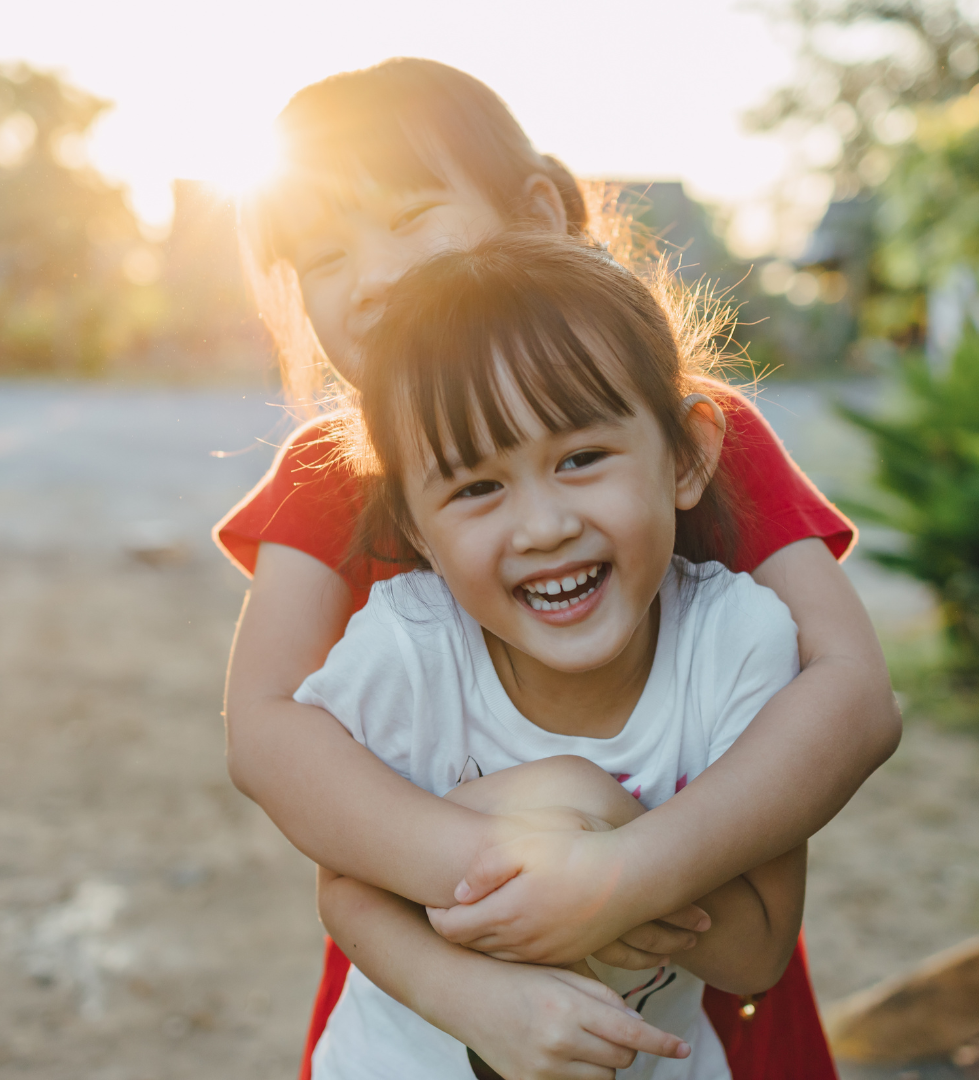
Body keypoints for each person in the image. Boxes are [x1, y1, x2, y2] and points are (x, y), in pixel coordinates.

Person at [215, 58, 900, 1079]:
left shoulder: (680, 427)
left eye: (409, 217)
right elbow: (268, 731)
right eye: (324, 252)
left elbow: (852, 693)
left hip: (698, 960)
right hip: (444, 963)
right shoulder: (334, 473)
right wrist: (506, 888)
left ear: (537, 211)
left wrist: (623, 872)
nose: (372, 272)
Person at [295, 231, 809, 1079]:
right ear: (417, 527)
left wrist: (604, 830)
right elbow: (346, 886)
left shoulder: (737, 645)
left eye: (581, 458)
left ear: (686, 455)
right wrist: (475, 999)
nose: (543, 527)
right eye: (477, 486)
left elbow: (757, 953)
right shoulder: (408, 649)